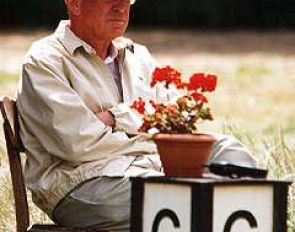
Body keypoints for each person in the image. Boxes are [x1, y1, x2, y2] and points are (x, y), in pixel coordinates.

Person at [16, 0, 256, 231]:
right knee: (175, 197)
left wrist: (113, 117)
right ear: (75, 3)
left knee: (230, 152)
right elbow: (76, 143)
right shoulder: (45, 60)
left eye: (127, 0)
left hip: (154, 164)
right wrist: (144, 128)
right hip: (82, 183)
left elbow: (174, 118)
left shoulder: (138, 55)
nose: (121, 7)